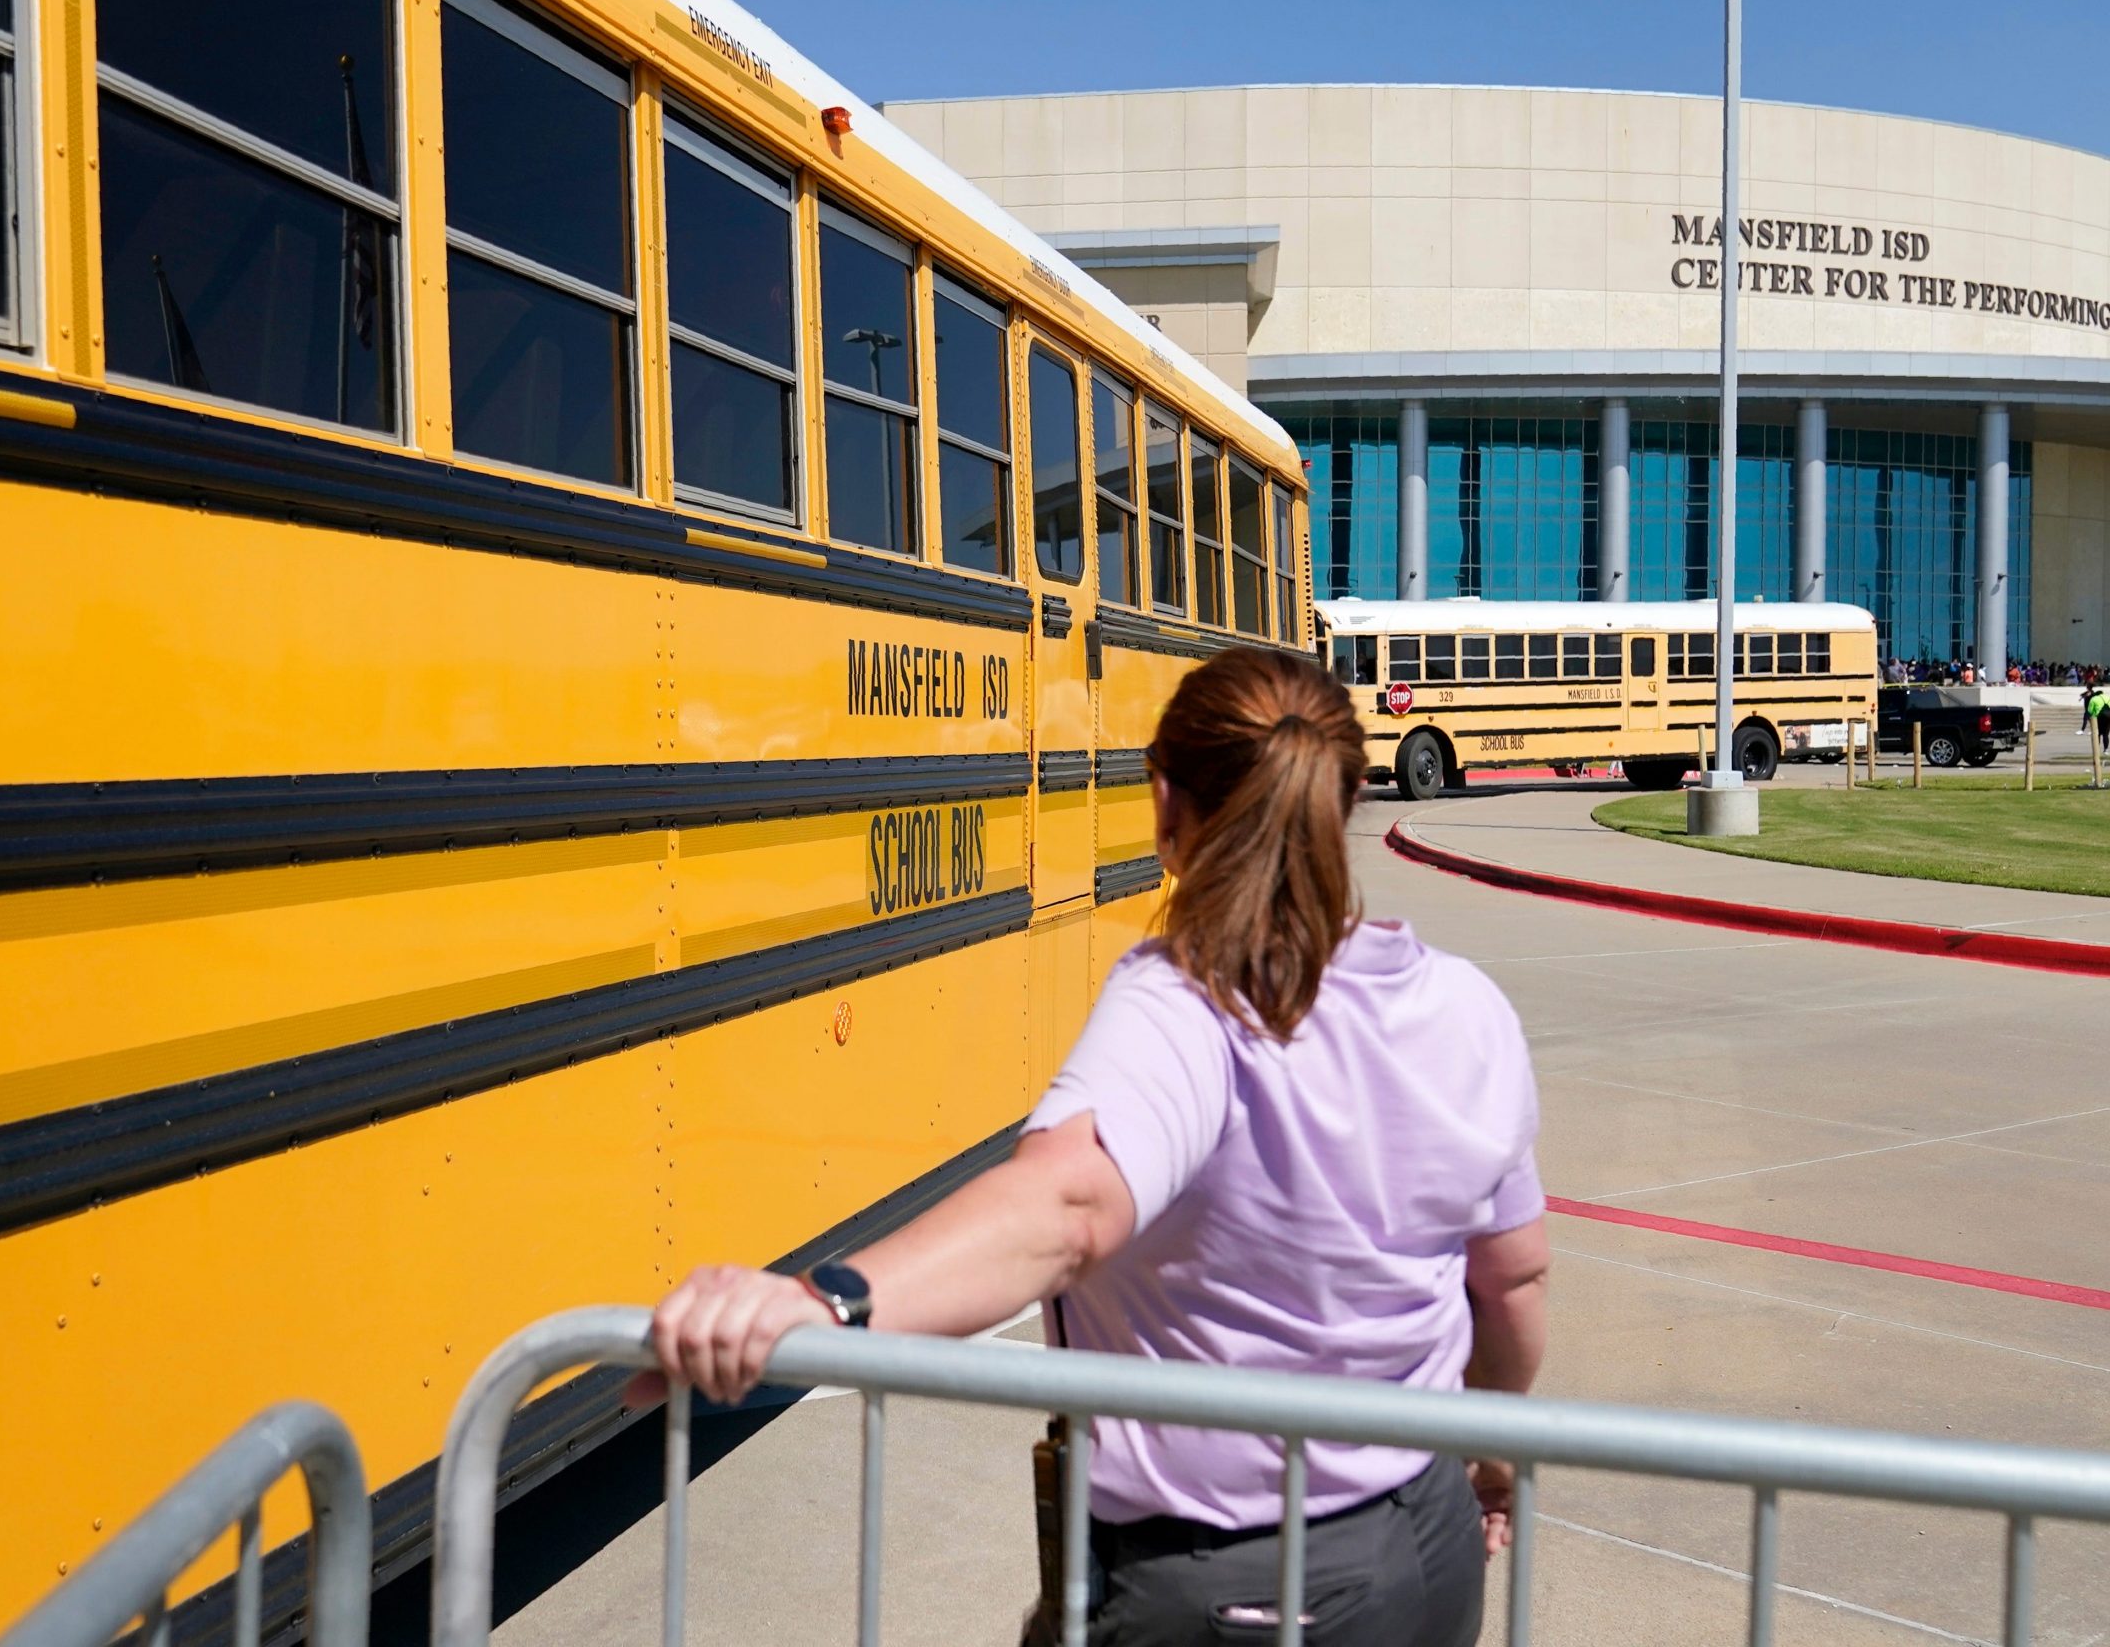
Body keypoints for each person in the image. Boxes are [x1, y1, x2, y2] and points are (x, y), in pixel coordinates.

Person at [638, 648, 1549, 1646]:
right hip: (1427, 1544)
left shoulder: (1192, 1003)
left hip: (1228, 1586)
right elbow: (1508, 1286)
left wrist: (824, 1305)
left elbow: (1066, 1207)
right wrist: (1488, 1451)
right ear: (1346, 802)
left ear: (1166, 804)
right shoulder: (1464, 1006)